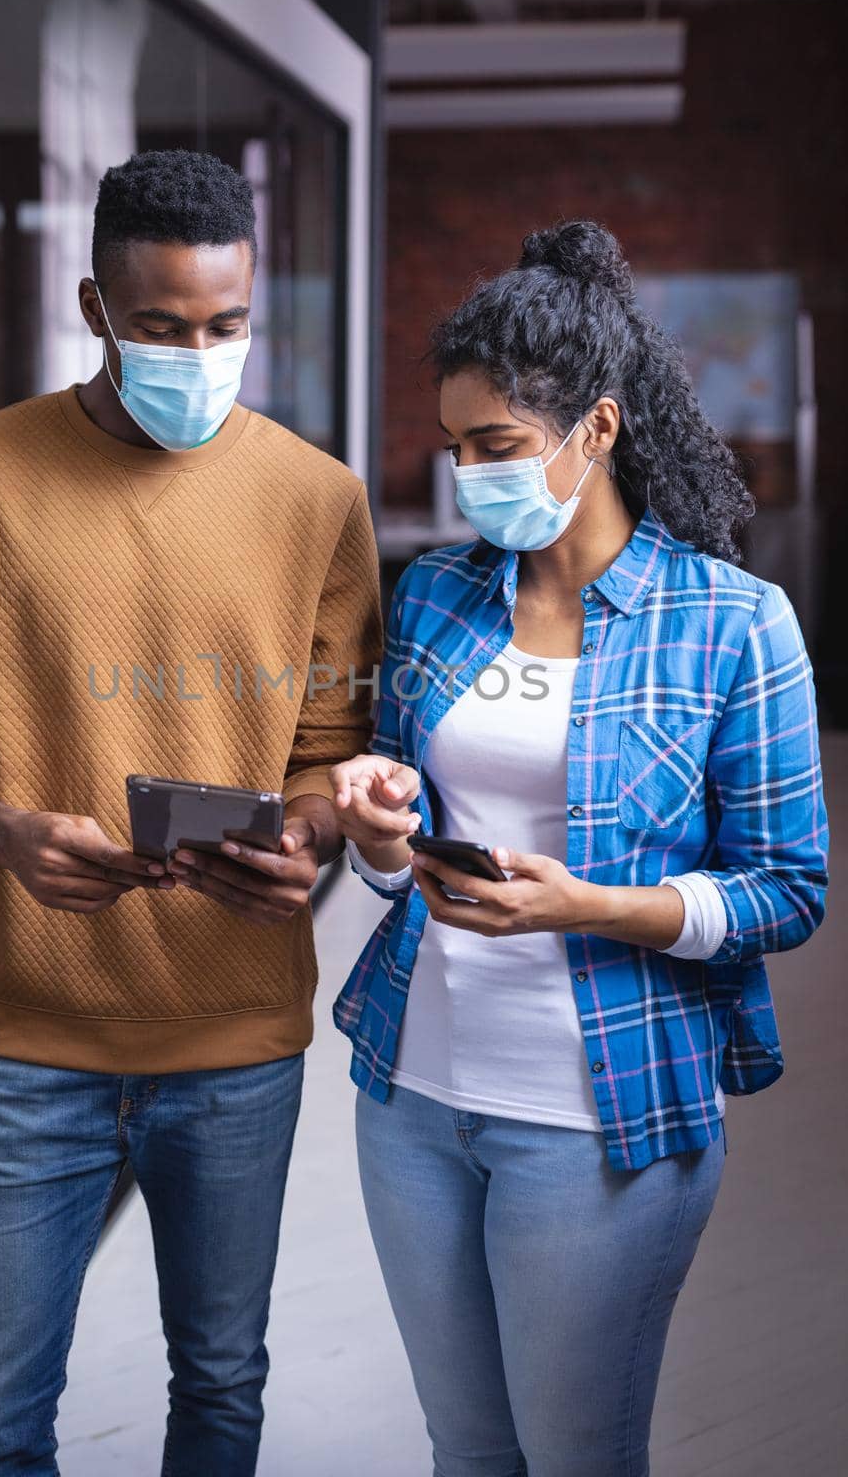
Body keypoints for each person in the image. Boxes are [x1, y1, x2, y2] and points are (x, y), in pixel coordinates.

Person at [0, 147, 382, 1477]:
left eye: (226, 325)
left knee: (217, 1385)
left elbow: (332, 747)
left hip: (233, 1035)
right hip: (31, 1038)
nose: (197, 354)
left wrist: (302, 840)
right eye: (158, 326)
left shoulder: (318, 499)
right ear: (93, 308)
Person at [329, 219, 828, 1477]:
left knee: (574, 1455)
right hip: (412, 1097)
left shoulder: (732, 622)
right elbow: (399, 853)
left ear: (593, 430)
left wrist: (590, 905)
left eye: (495, 446)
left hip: (597, 1117)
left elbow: (786, 890)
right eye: (455, 448)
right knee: (466, 1451)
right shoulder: (437, 591)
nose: (469, 475)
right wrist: (382, 830)